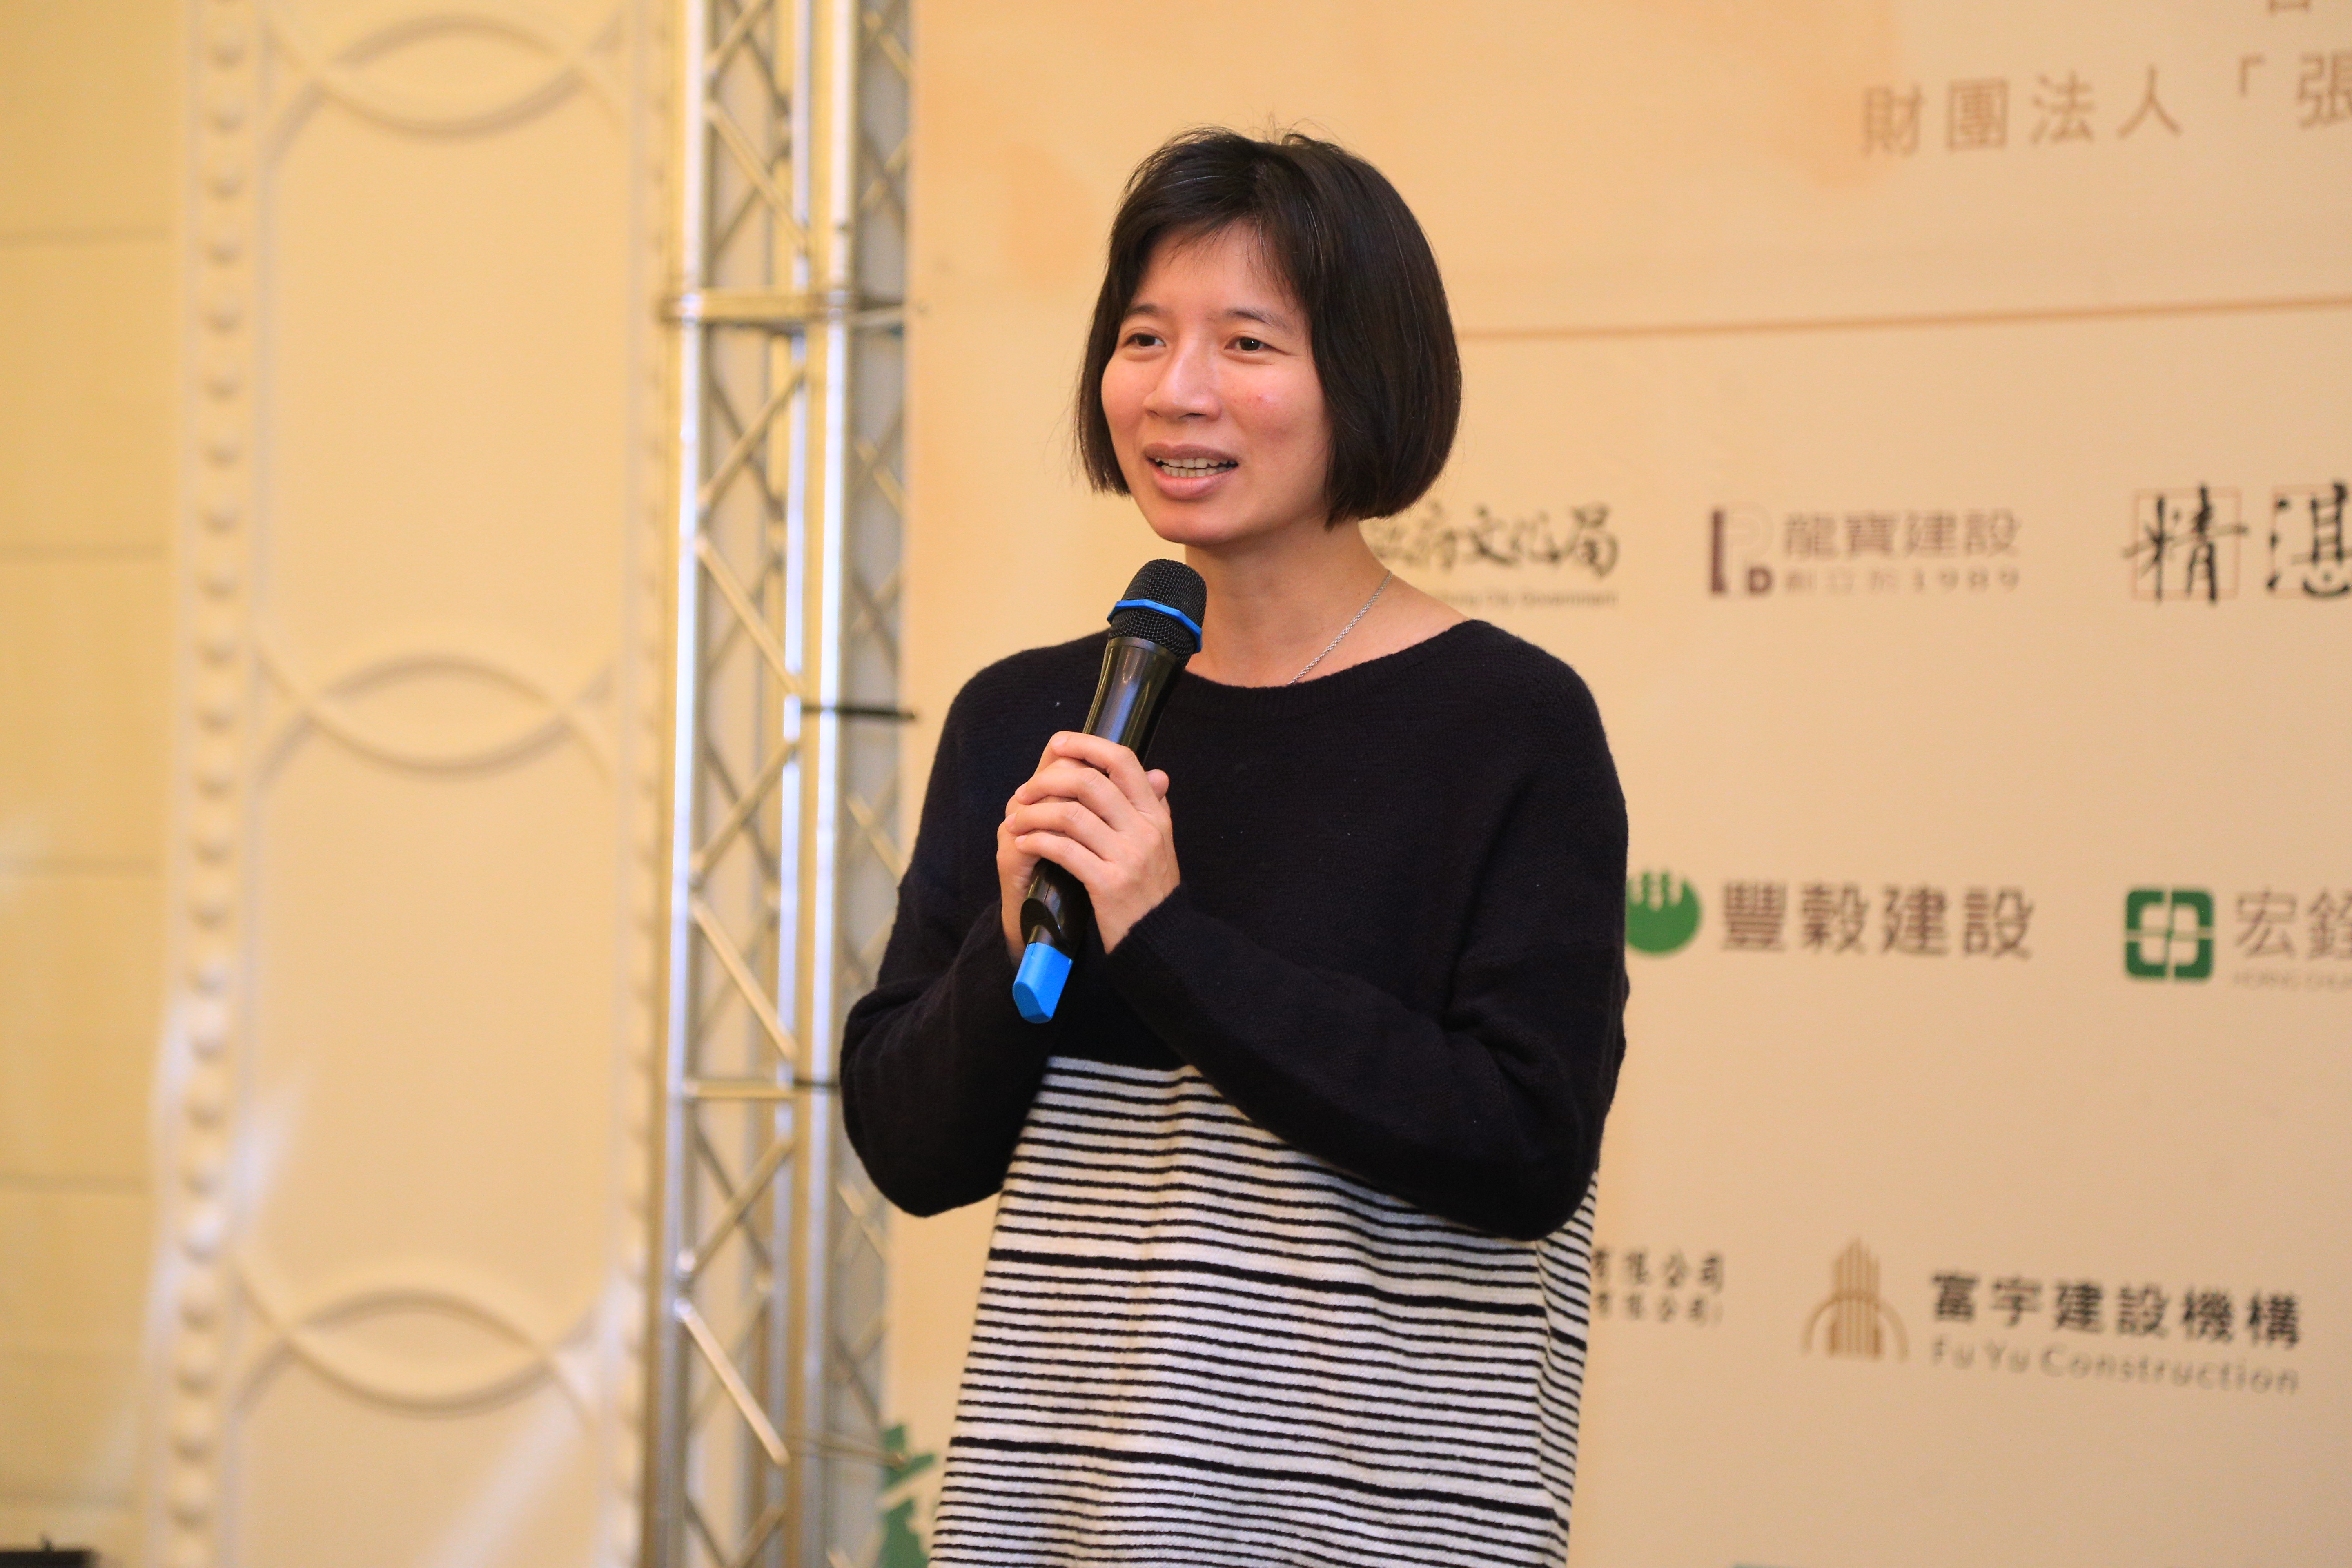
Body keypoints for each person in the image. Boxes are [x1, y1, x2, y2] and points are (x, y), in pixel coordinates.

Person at [842, 128, 1628, 1566]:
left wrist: (1166, 938)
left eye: (1247, 342)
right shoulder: (1038, 715)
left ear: (1368, 378)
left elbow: (1523, 1146)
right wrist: (1010, 952)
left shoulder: (1508, 724)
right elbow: (912, 1150)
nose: (1176, 389)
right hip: (1066, 1521)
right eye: (1144, 336)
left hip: (1375, 1528)